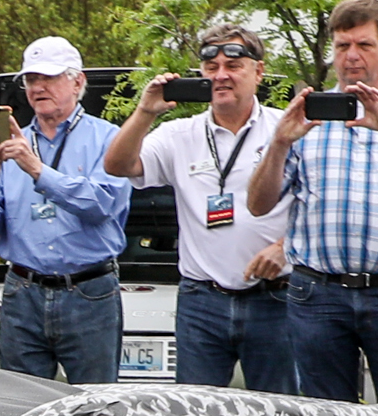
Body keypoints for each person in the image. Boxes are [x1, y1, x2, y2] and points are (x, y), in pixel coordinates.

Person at [245, 0, 378, 402]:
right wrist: (281, 142)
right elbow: (258, 205)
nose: (352, 56)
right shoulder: (305, 117)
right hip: (316, 293)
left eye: (364, 45)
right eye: (342, 46)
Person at [103, 24, 294, 392]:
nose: (221, 75)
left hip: (274, 298)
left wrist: (284, 247)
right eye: (211, 67)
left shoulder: (284, 128)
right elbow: (117, 165)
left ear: (259, 71)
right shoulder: (179, 134)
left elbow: (314, 204)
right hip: (203, 301)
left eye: (233, 66)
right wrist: (145, 112)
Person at [0, 36, 133, 382]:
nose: (38, 87)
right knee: (22, 404)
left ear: (78, 81)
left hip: (88, 292)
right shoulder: (12, 142)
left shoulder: (109, 138)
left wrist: (37, 170)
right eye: (31, 79)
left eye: (49, 78)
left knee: (93, 408)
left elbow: (102, 204)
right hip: (23, 291)